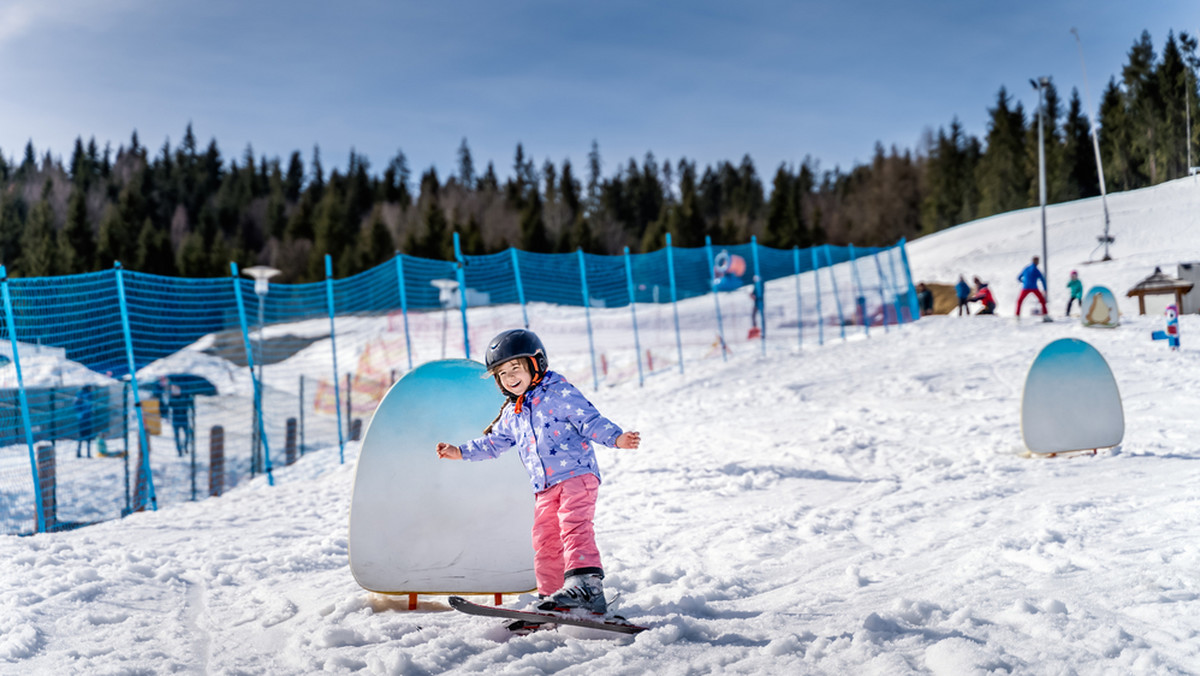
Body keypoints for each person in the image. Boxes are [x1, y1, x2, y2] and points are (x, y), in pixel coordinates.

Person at [435, 329, 640, 616]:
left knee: (573, 526)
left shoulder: (559, 393)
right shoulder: (513, 412)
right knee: (544, 540)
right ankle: (552, 597)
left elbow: (589, 420)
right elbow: (494, 442)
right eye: (502, 373)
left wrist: (616, 438)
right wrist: (461, 451)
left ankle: (586, 585)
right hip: (544, 487)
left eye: (515, 368)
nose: (509, 377)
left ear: (536, 364)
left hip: (576, 476)